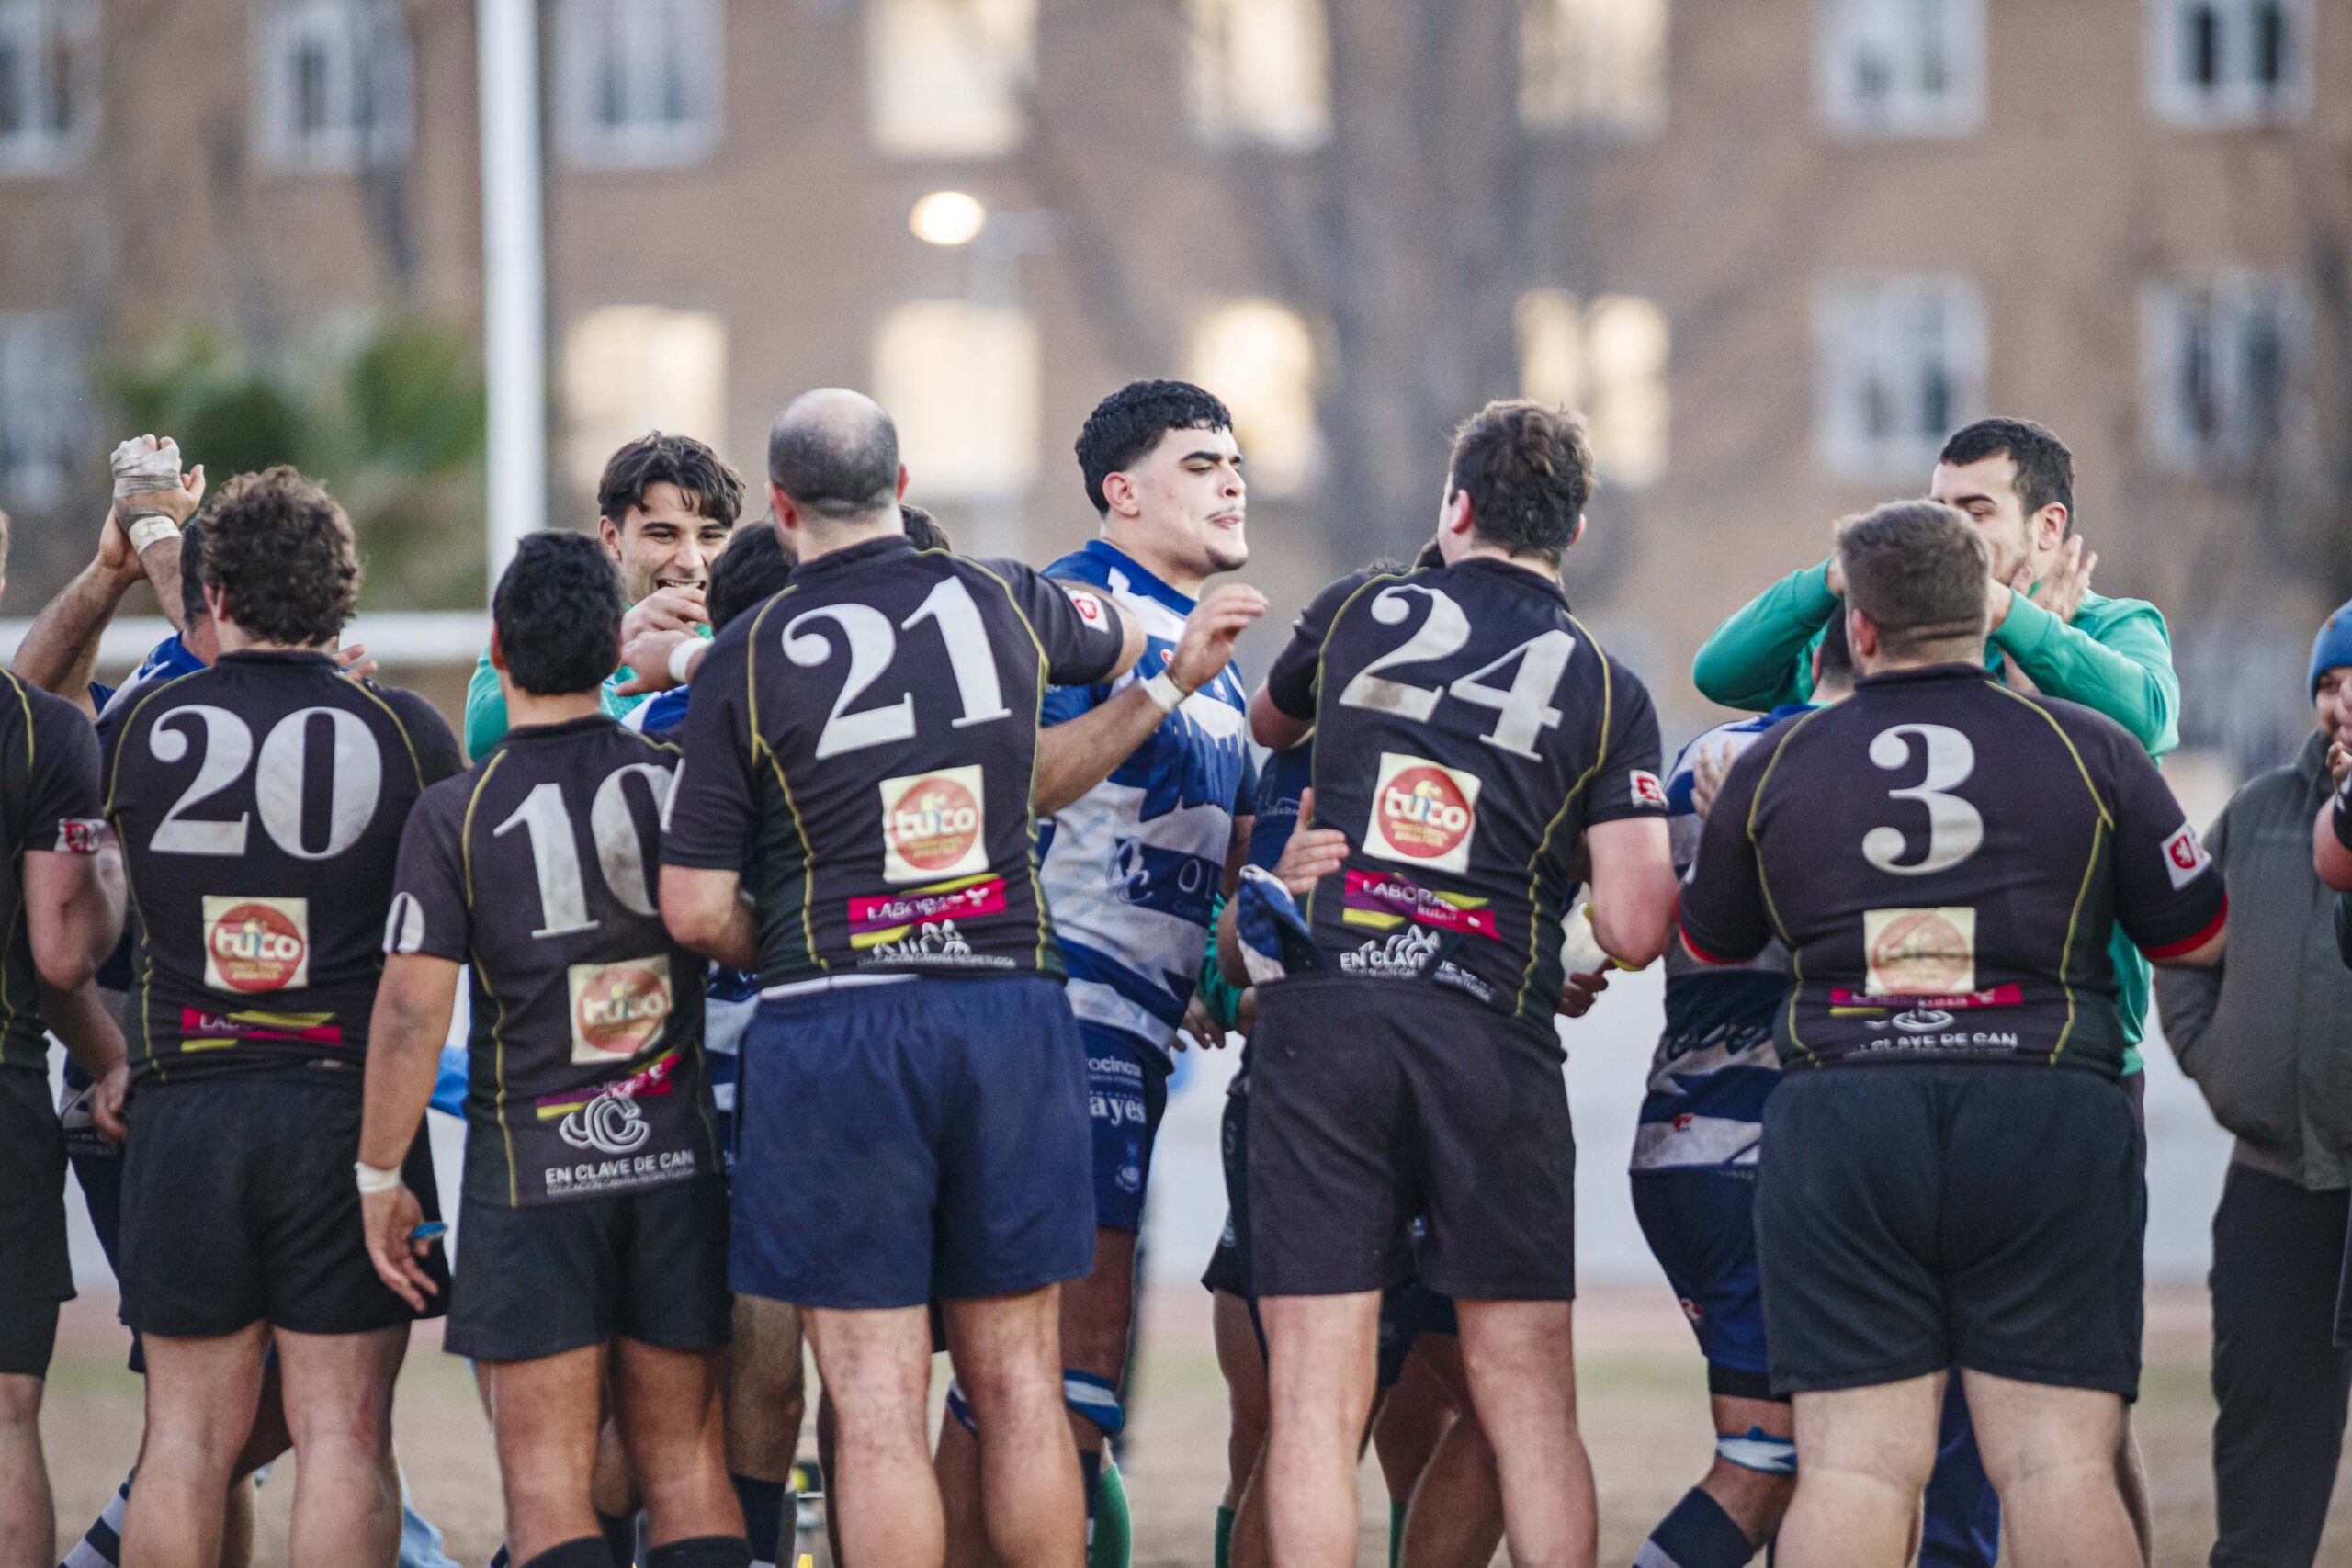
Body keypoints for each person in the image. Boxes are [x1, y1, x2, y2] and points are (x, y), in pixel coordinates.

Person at [1677, 500, 2226, 1567]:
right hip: (2045, 1109)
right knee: (2059, 1469)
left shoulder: (1776, 765)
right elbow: (2196, 935)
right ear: (1988, 616)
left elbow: (1709, 945)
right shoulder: (2093, 749)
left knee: (1855, 1473)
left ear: (1862, 630)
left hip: (1846, 1117)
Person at [659, 389, 1141, 1568]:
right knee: (1021, 1384)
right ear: (905, 484)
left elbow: (694, 908)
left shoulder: (742, 655)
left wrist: (795, 939)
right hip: (1009, 1009)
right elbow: (1123, 631)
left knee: (869, 1403)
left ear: (775, 509)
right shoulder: (998, 597)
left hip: (835, 1023)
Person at [1246, 400, 1679, 1568]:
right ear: (1575, 530)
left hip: (1326, 1013)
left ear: (1456, 508)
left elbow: (1265, 719)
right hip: (1489, 1030)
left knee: (1313, 1404)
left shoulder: (1358, 606)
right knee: (1528, 1397)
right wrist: (1559, 936)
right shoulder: (1604, 681)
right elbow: (1640, 924)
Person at [356, 532, 746, 1568]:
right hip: (673, 1162)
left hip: (534, 1176)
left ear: (499, 647)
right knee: (687, 1468)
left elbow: (407, 1014)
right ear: (610, 656)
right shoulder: (673, 781)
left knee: (546, 1486)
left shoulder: (459, 811)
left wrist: (379, 1173)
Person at [933, 379, 1268, 1568]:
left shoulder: (1215, 651)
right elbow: (1018, 780)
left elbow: (1178, 853)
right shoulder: (1087, 605)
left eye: (1235, 461)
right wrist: (1164, 679)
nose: (1232, 479)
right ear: (1122, 490)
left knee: (1026, 1378)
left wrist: (1227, 953)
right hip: (1057, 1013)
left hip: (1129, 1024)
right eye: (1199, 462)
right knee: (1055, 1377)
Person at [105, 468, 465, 1568]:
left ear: (212, 592)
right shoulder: (405, 734)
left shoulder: (139, 725)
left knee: (184, 1439)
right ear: (343, 597)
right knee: (344, 1433)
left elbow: (79, 937)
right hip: (344, 1117)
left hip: (185, 1109)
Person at [2154, 598, 2352, 1568]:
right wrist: (2215, 1062)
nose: (2341, 700)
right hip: (2276, 1188)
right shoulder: (2261, 814)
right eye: (2327, 681)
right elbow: (2186, 955)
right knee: (2265, 1462)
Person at [624, 517, 807, 1568]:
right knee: (742, 1368)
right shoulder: (657, 720)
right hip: (721, 1071)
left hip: (650, 1088)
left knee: (737, 1365)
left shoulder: (648, 710)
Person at [0, 500, 134, 1568]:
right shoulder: (44, 734)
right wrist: (114, 1058)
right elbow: (59, 961)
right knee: (7, 1412)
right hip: (0, 1091)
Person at [464, 433, 743, 759]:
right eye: (664, 535)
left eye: (710, 536)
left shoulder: (752, 630)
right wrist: (606, 643)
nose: (691, 561)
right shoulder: (549, 619)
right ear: (612, 537)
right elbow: (484, 738)